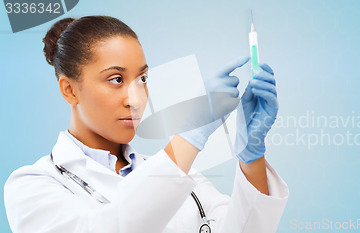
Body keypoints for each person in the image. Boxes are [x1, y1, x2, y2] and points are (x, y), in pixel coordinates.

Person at [4, 15, 288, 233]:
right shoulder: (32, 185)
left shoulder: (185, 178)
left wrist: (252, 157)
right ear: (69, 90)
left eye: (142, 79)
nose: (136, 99)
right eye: (116, 79)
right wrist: (190, 135)